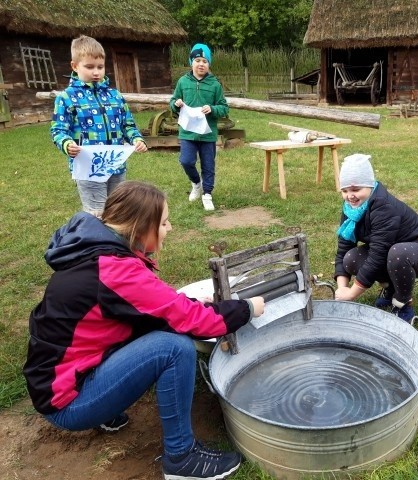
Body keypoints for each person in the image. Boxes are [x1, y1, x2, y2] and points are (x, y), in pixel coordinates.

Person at [23, 181, 265, 479]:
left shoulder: (93, 249)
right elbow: (198, 322)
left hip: (55, 381)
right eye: (163, 223)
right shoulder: (115, 270)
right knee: (174, 348)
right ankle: (182, 459)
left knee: (161, 326)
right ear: (140, 229)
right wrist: (248, 308)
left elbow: (150, 307)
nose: (170, 228)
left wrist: (188, 303)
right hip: (67, 402)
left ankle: (105, 408)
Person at [333, 153, 418, 323]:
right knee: (351, 259)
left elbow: (378, 254)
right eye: (345, 190)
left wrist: (353, 293)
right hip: (392, 249)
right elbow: (343, 249)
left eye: (356, 189)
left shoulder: (383, 207)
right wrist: (342, 289)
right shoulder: (351, 209)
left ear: (369, 186)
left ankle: (403, 303)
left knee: (398, 254)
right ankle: (391, 289)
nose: (350, 196)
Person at [50, 35, 148, 217]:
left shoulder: (115, 96)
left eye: (100, 67)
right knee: (96, 214)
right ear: (74, 66)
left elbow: (128, 125)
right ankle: (97, 244)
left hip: (116, 166)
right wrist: (66, 144)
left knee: (118, 210)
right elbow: (58, 130)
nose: (96, 72)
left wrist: (136, 139)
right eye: (89, 67)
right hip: (88, 168)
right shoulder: (66, 98)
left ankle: (117, 245)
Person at [170, 43, 229, 212]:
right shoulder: (182, 82)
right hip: (187, 132)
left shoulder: (215, 85)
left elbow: (224, 107)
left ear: (209, 64)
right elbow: (172, 102)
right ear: (191, 62)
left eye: (205, 61)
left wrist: (213, 109)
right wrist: (176, 103)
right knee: (186, 161)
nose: (201, 64)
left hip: (207, 134)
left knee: (208, 165)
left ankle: (207, 193)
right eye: (197, 60)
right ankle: (196, 183)